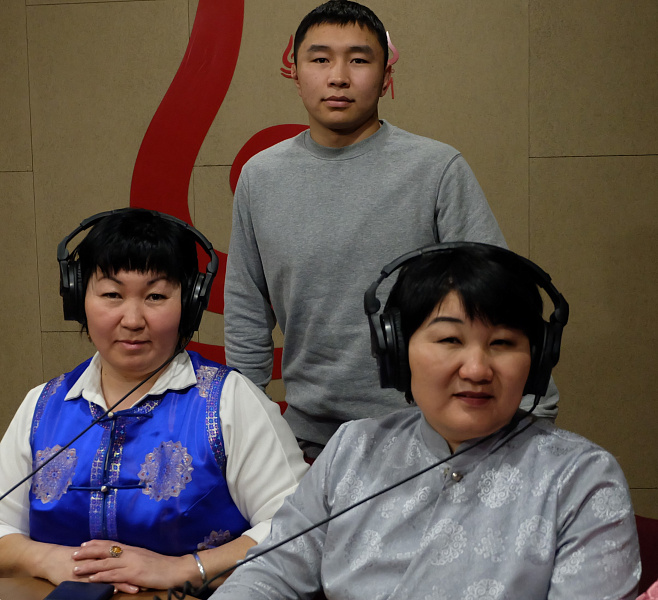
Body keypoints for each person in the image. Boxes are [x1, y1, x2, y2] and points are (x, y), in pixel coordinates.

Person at [223, 0, 559, 457]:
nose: (338, 76)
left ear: (385, 76)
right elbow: (246, 311)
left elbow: (499, 295)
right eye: (320, 59)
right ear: (295, 72)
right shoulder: (260, 177)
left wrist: (532, 413)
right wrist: (246, 428)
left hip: (431, 436)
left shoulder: (436, 169)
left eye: (359, 60)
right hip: (307, 442)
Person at [211, 242, 640, 599]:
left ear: (538, 359)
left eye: (503, 342)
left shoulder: (580, 480)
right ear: (397, 352)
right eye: (450, 339)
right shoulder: (352, 450)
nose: (477, 369)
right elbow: (270, 574)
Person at [0, 209, 308, 595]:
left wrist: (184, 568)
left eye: (156, 296)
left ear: (190, 303)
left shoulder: (230, 401)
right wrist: (46, 559)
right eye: (112, 295)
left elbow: (300, 530)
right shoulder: (42, 405)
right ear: (79, 298)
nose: (132, 319)